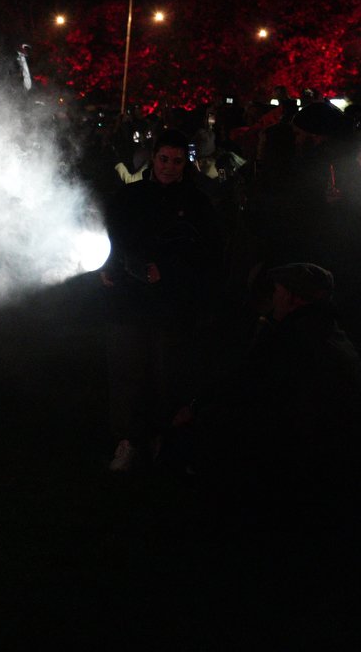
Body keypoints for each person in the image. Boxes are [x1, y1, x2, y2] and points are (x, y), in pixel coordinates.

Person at [190, 263, 361, 538]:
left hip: (304, 460)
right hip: (338, 456)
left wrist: (196, 410)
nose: (273, 297)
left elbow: (248, 387)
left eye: (277, 291)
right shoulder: (332, 334)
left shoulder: (292, 340)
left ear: (292, 296)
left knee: (221, 429)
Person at [99, 127, 223, 472]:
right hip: (128, 300)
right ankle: (127, 439)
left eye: (177, 161)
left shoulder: (197, 203)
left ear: (186, 163)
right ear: (153, 158)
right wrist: (109, 266)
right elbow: (111, 237)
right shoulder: (129, 196)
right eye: (164, 159)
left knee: (166, 376)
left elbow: (208, 254)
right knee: (126, 372)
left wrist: (166, 270)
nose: (169, 167)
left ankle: (161, 438)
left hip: (171, 305)